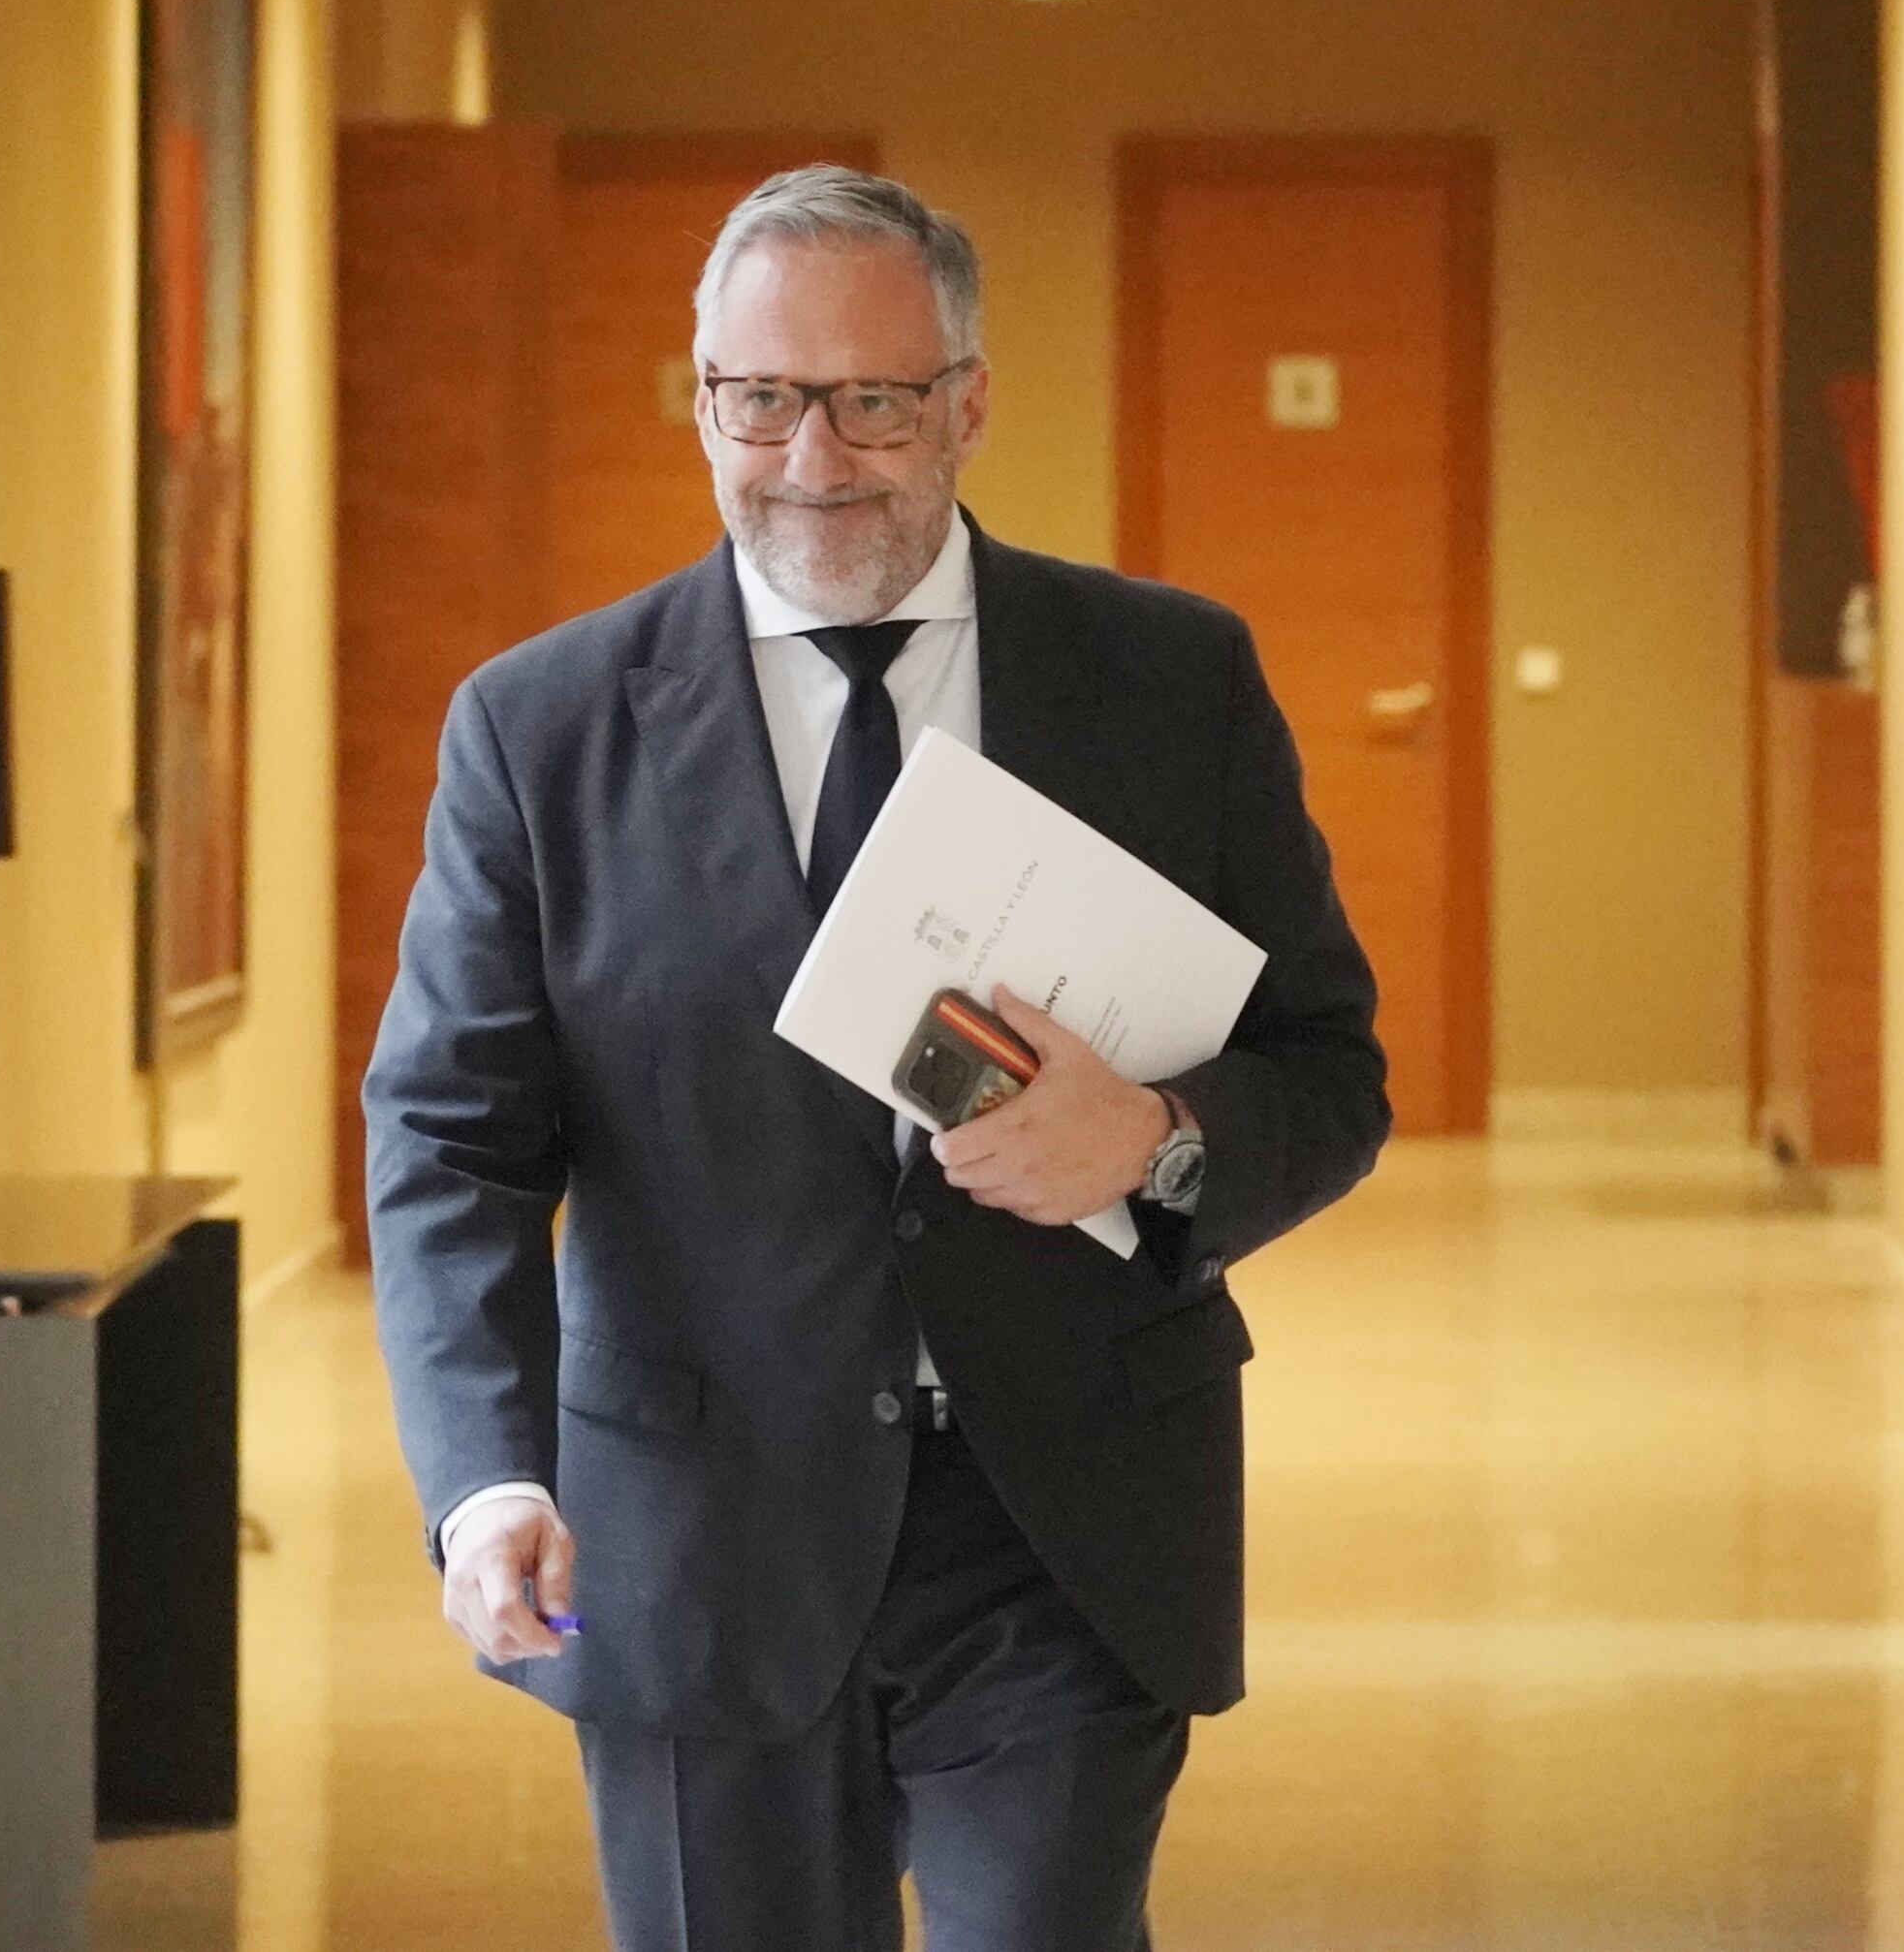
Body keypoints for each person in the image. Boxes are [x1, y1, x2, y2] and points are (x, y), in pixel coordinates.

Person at [365, 164, 1389, 1952]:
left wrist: (1151, 1140)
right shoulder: (542, 729)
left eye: (876, 400)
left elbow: (1331, 1072)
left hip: (1061, 1523)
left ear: (970, 402)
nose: (813, 455)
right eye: (757, 398)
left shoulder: (1169, 681)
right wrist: (488, 1477)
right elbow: (450, 1139)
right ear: (702, 401)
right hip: (693, 1541)